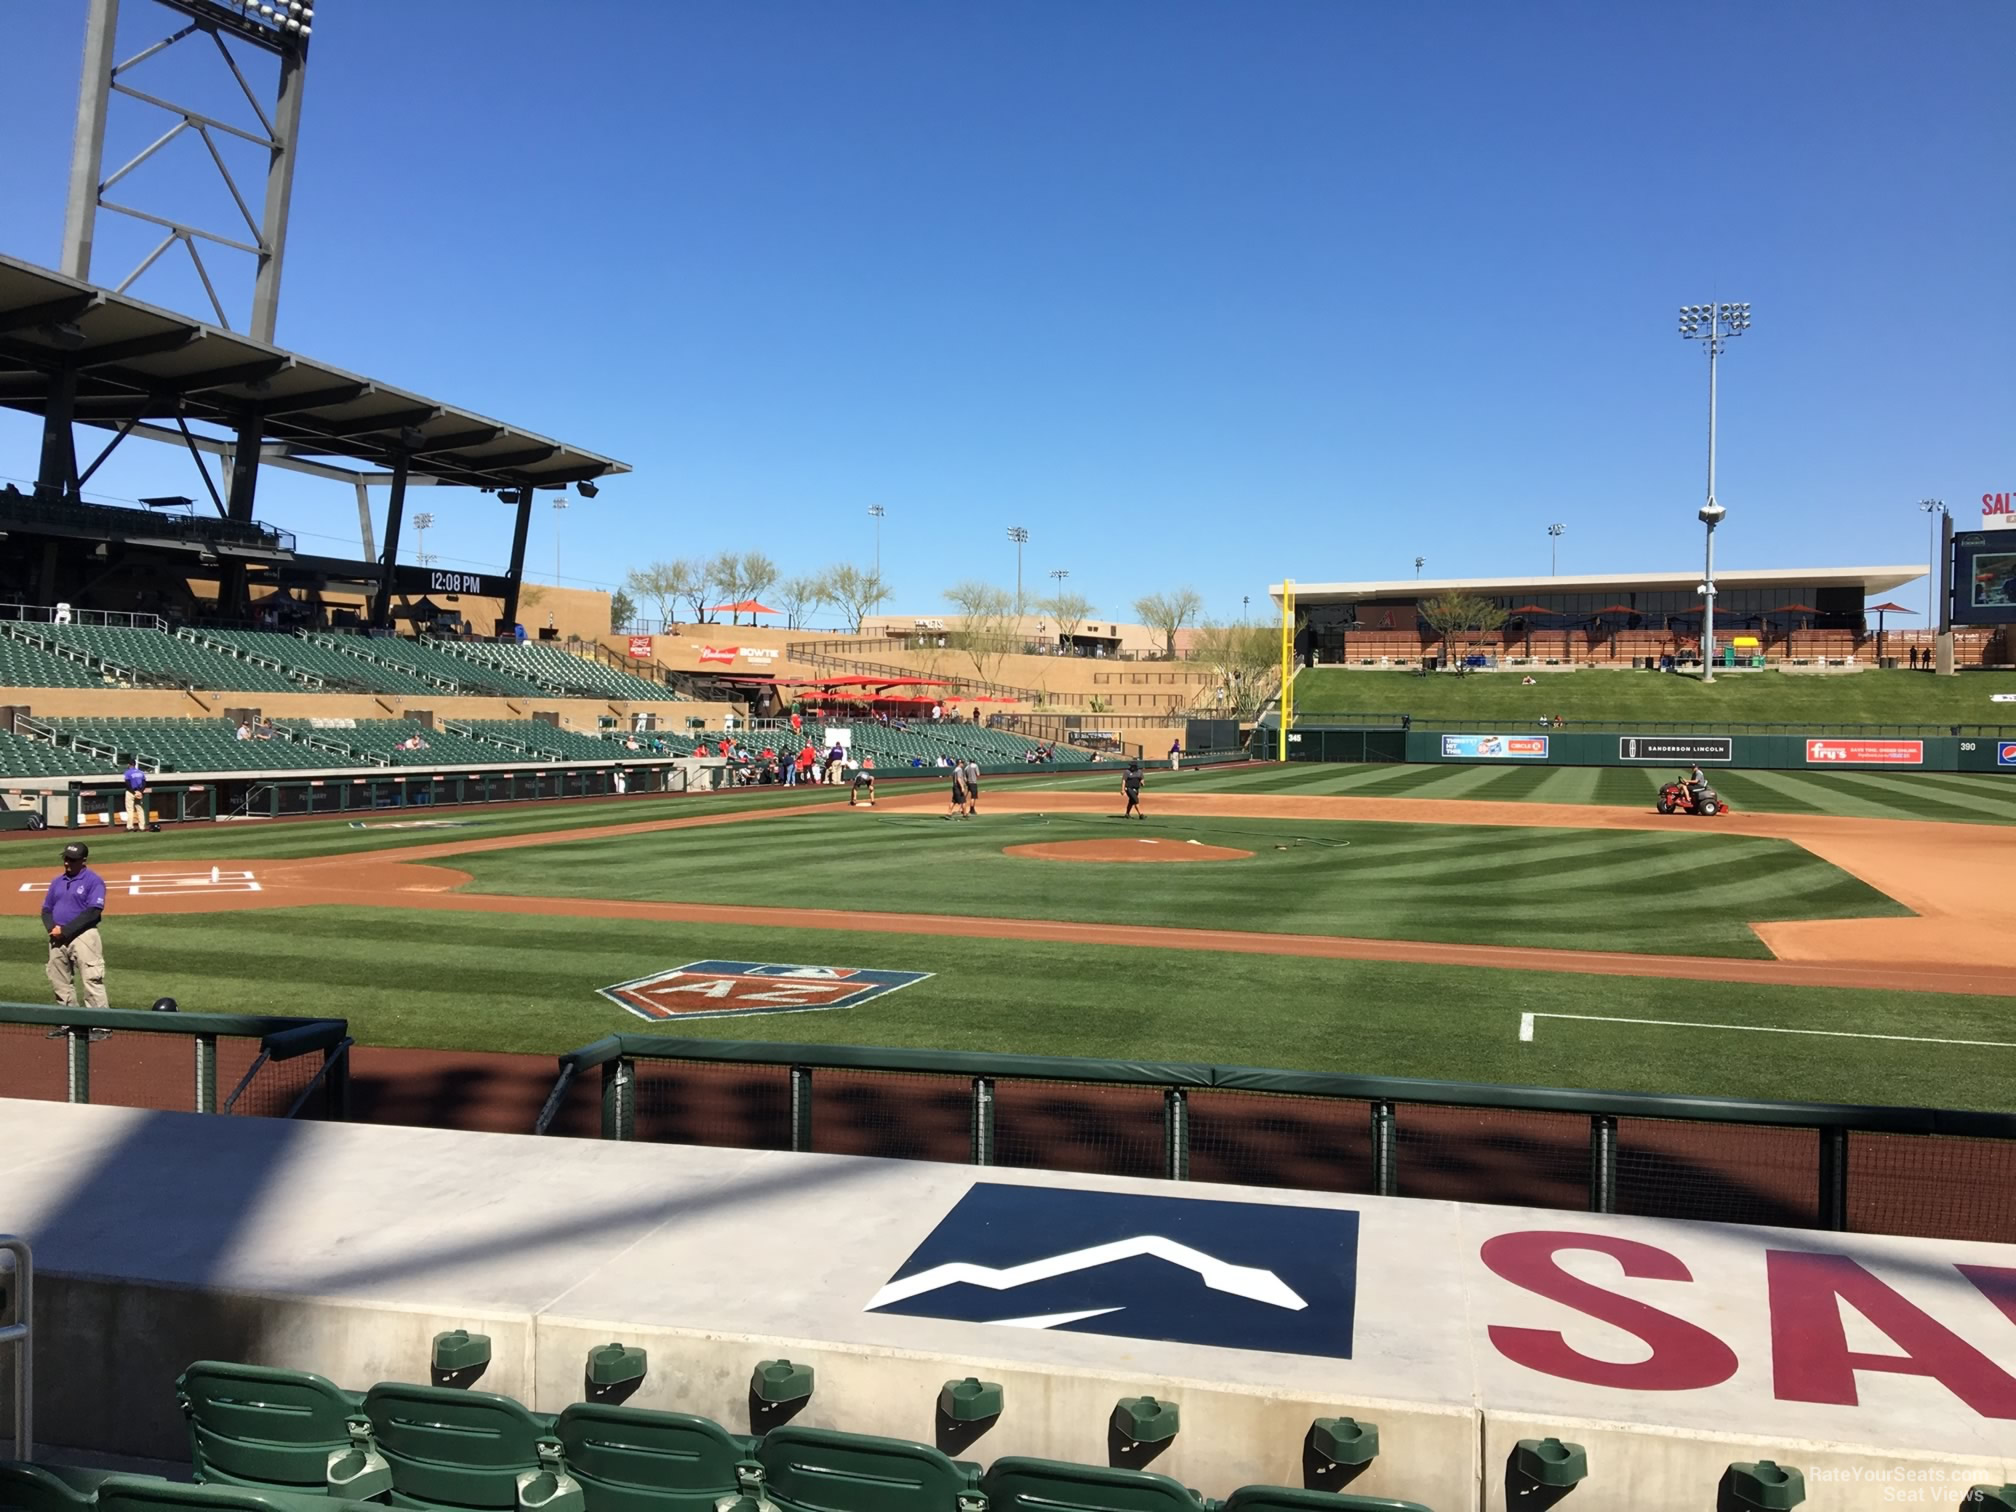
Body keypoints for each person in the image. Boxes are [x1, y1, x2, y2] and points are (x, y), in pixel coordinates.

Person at [42, 842, 108, 1009]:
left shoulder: (94, 881)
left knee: (92, 980)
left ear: (83, 860)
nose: (67, 863)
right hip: (57, 937)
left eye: (72, 860)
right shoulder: (57, 881)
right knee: (60, 983)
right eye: (65, 858)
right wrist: (53, 930)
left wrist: (65, 930)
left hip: (83, 936)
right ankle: (69, 1023)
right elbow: (46, 909)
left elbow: (93, 911)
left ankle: (99, 1024)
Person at [121, 760, 149, 832]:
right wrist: (140, 792)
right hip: (139, 791)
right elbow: (144, 783)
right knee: (140, 810)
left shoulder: (128, 772)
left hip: (131, 792)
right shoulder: (141, 772)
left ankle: (130, 827)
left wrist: (133, 792)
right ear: (135, 764)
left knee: (130, 810)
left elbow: (127, 783)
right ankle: (142, 827)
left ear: (129, 765)